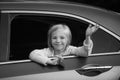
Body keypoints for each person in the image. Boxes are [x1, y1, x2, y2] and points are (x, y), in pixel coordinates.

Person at [29, 23, 99, 66]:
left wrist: (87, 37)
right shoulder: (48, 51)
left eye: (62, 38)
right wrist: (49, 61)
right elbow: (33, 54)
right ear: (50, 40)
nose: (58, 41)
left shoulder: (70, 49)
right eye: (54, 38)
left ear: (68, 40)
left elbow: (85, 53)